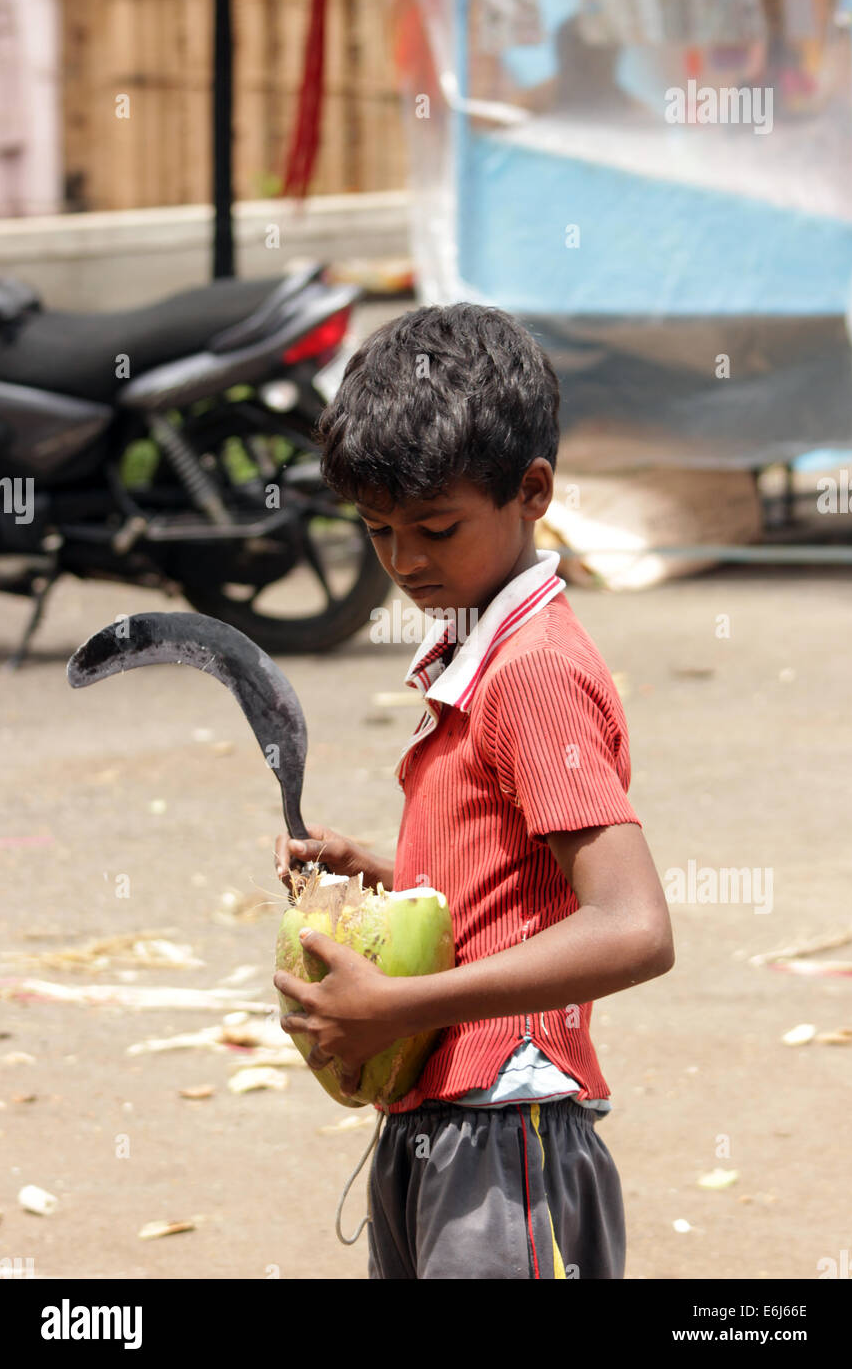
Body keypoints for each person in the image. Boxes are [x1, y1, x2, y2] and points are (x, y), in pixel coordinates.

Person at [273, 302, 674, 1280]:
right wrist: (383, 875)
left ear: (531, 489)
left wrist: (403, 1005)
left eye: (434, 527)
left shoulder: (528, 671)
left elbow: (631, 927)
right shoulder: (469, 642)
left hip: (506, 1125)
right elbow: (514, 873)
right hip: (440, 1110)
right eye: (377, 530)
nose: (405, 560)